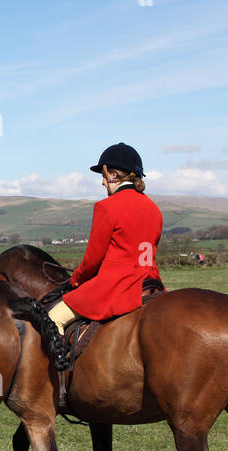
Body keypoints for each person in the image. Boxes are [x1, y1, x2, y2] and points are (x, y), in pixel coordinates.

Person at [47, 142, 163, 334]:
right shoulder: (154, 209)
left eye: (103, 175)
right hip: (151, 284)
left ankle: (59, 365)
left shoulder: (107, 207)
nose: (102, 182)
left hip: (116, 287)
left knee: (54, 318)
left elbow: (93, 259)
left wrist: (76, 279)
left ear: (113, 175)